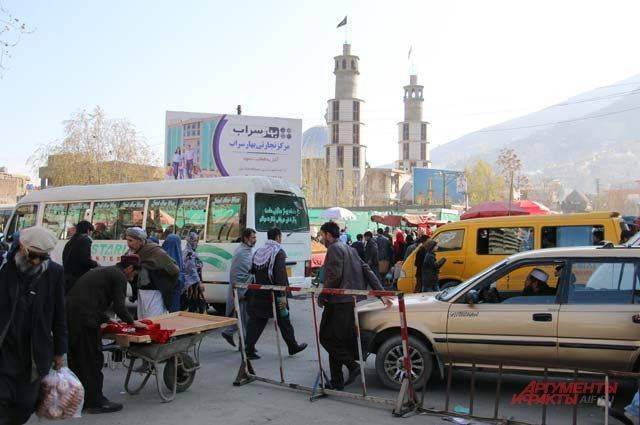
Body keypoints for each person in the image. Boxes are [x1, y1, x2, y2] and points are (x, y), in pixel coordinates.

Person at [0, 227, 67, 425]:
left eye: (41, 257)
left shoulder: (54, 272)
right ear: (22, 247)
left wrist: (60, 351)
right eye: (32, 255)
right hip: (5, 346)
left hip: (34, 350)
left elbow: (59, 313)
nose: (36, 261)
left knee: (25, 404)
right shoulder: (4, 267)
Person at [66, 255, 147, 414]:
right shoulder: (119, 277)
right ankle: (95, 401)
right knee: (92, 359)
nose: (133, 278)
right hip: (85, 319)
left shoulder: (105, 271)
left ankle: (79, 399)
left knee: (78, 359)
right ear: (130, 269)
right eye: (134, 274)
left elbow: (91, 297)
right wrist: (132, 322)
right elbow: (119, 307)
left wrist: (106, 319)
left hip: (71, 315)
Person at [318, 221, 392, 390]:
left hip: (338, 303)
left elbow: (334, 276)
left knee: (326, 338)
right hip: (348, 302)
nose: (322, 238)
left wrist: (323, 295)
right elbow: (367, 269)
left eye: (322, 235)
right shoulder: (350, 249)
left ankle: (353, 366)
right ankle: (337, 381)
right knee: (337, 341)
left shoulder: (334, 248)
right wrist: (380, 292)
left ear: (329, 235)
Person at [244, 228, 307, 360]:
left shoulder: (259, 251)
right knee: (284, 319)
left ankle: (248, 348)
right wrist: (283, 295)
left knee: (257, 321)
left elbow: (252, 270)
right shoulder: (278, 252)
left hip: (259, 292)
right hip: (276, 294)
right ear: (278, 237)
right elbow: (280, 276)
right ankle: (292, 346)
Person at [125, 227, 180, 318]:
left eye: (131, 241)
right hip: (141, 293)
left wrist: (166, 284)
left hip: (155, 294)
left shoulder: (156, 252)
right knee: (142, 322)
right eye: (127, 240)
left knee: (154, 322)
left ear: (140, 241)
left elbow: (174, 270)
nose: (128, 244)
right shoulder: (132, 253)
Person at [222, 228, 257, 348]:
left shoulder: (246, 250)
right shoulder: (242, 252)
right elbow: (243, 271)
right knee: (244, 318)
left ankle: (230, 334)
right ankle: (245, 346)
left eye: (255, 237)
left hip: (245, 287)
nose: (254, 240)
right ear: (246, 238)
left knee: (242, 317)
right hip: (241, 289)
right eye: (252, 237)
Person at [62, 220, 98, 293]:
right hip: (78, 278)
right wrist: (96, 264)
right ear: (88, 231)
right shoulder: (85, 240)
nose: (91, 234)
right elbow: (85, 261)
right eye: (91, 232)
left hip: (67, 277)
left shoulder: (70, 241)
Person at [161, 234, 185, 312]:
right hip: (177, 283)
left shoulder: (161, 255)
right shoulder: (179, 256)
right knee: (174, 307)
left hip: (164, 285)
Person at [182, 232, 205, 313]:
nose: (196, 243)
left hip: (194, 284)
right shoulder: (189, 253)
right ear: (190, 241)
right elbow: (192, 270)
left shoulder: (192, 252)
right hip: (192, 285)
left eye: (197, 241)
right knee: (193, 307)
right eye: (194, 240)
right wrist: (199, 283)